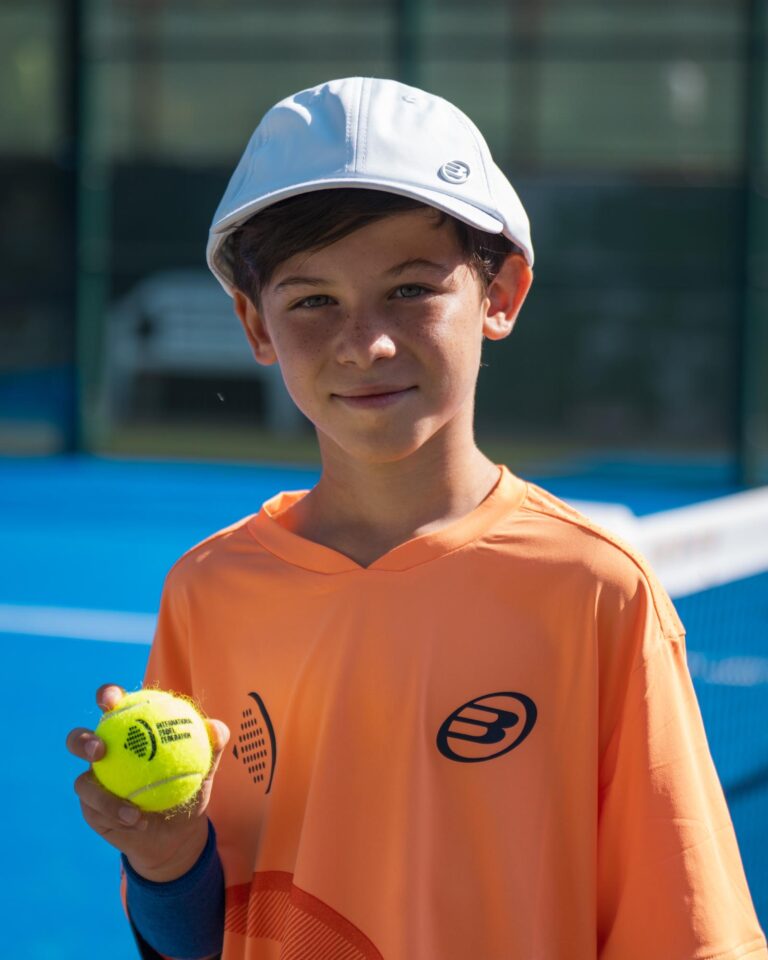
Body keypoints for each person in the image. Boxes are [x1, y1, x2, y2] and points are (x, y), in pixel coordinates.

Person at [67, 76, 767, 960]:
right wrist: (166, 860)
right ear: (255, 324)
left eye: (409, 289)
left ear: (501, 293)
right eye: (312, 301)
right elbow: (196, 939)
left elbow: (686, 934)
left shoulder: (596, 590)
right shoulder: (209, 592)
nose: (367, 343)